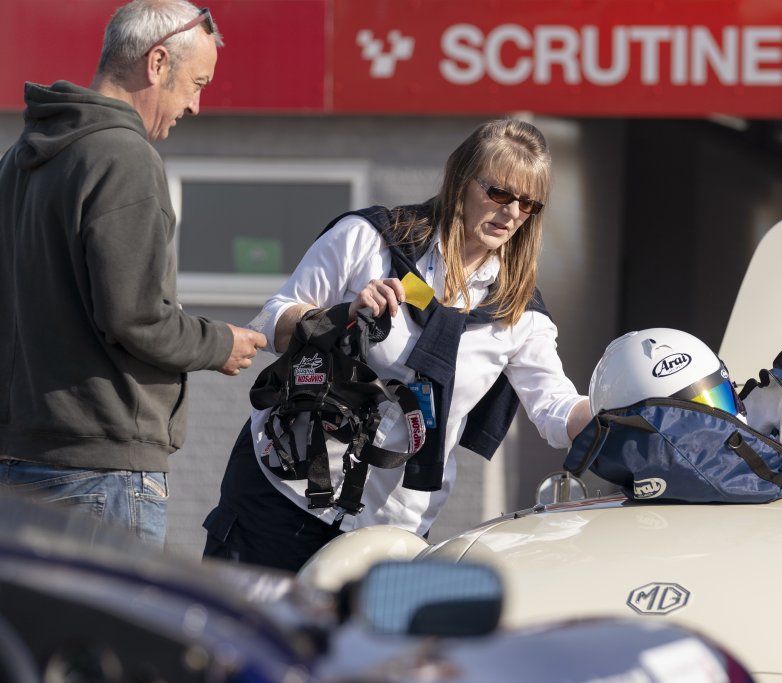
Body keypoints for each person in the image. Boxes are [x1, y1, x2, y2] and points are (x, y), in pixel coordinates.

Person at [203, 118, 592, 572]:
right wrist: (341, 314)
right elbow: (272, 322)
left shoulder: (517, 313)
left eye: (528, 204)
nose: (510, 213)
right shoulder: (371, 240)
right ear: (461, 179)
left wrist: (623, 409)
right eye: (499, 193)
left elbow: (556, 410)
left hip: (390, 530)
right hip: (283, 490)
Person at [0, 0, 267, 548]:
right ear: (157, 61)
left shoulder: (21, 159)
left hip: (19, 463)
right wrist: (220, 344)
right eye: (197, 82)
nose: (196, 105)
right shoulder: (124, 157)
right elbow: (136, 316)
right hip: (98, 476)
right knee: (114, 635)